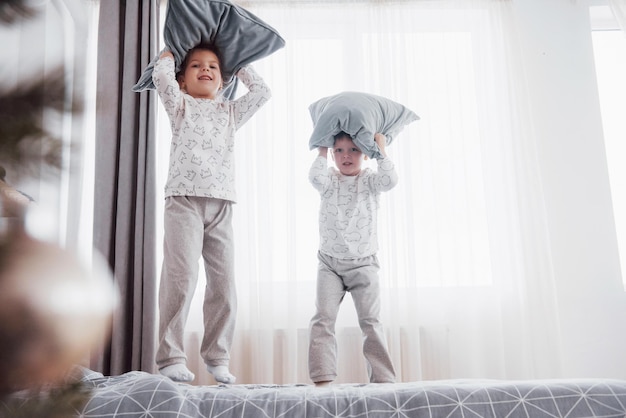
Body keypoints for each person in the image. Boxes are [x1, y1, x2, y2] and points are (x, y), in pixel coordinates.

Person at [152, 44, 271, 384]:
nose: (205, 70)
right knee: (181, 277)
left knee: (224, 283)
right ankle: (170, 356)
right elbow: (162, 79)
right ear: (184, 81)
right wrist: (171, 49)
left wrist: (238, 63)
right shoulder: (180, 106)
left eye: (214, 67)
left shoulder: (231, 113)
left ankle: (217, 355)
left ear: (223, 80)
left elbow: (263, 92)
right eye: (196, 66)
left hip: (221, 205)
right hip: (184, 202)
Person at [308, 131, 398, 387]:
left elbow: (390, 180)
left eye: (354, 150)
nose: (346, 155)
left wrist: (381, 152)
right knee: (323, 319)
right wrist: (322, 151)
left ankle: (383, 380)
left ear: (365, 154)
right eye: (339, 151)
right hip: (330, 265)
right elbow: (314, 176)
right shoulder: (328, 181)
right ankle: (322, 378)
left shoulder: (370, 181)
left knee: (370, 322)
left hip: (364, 264)